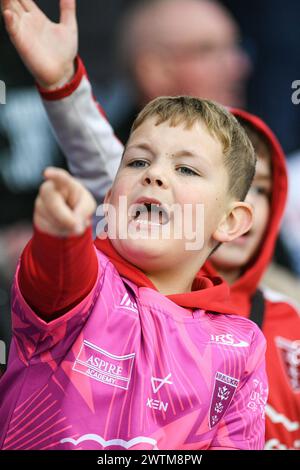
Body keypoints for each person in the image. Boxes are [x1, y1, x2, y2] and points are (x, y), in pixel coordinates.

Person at [0, 95, 267, 450]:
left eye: (186, 169)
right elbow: (55, 273)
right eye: (138, 161)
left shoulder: (242, 345)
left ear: (231, 221)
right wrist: (61, 233)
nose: (154, 175)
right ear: (110, 200)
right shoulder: (86, 283)